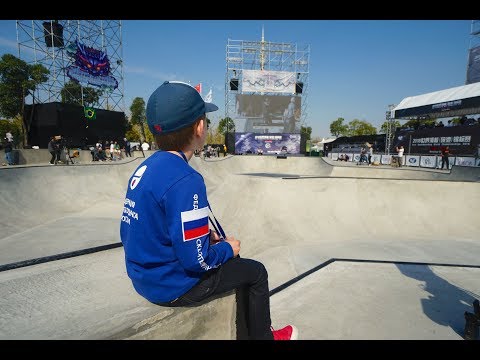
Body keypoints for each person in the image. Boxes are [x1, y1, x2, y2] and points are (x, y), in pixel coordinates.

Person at [119, 81, 297, 340]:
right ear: (200, 127)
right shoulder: (186, 179)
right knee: (255, 271)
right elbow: (197, 260)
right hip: (172, 286)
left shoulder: (146, 167)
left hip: (144, 279)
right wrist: (227, 248)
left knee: (235, 267)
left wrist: (202, 235)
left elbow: (142, 228)